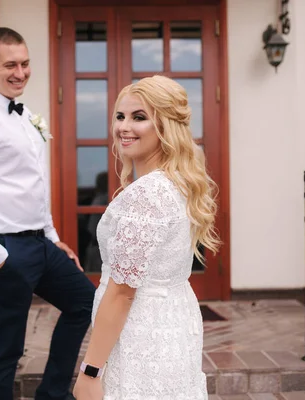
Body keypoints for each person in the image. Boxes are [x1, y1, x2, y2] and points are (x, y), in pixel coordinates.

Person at [0, 27, 95, 400]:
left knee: (85, 303)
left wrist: (53, 237)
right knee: (3, 352)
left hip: (38, 243)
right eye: (10, 64)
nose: (20, 72)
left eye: (25, 64)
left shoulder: (25, 117)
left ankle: (52, 394)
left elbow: (34, 187)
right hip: (2, 249)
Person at [72, 75, 220, 399]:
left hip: (141, 334)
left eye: (139, 117)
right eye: (120, 116)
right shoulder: (177, 183)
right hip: (172, 326)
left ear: (166, 126)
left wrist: (91, 371)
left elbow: (122, 293)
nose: (124, 126)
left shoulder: (147, 195)